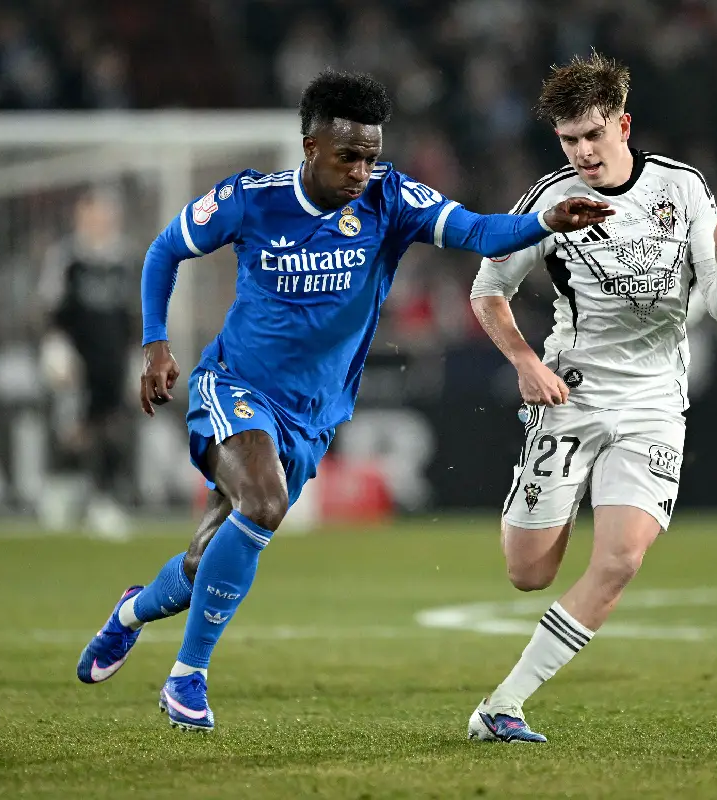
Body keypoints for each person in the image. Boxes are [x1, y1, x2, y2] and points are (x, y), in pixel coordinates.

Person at [75, 69, 611, 732]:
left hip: (313, 414)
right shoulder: (250, 199)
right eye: (348, 156)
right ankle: (188, 678)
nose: (362, 171)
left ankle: (129, 613)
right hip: (235, 386)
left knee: (203, 560)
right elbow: (163, 252)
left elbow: (478, 232)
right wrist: (155, 343)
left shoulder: (391, 199)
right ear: (311, 147)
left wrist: (544, 221)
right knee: (263, 503)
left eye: (371, 156)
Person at [465, 52, 717, 743]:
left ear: (623, 124)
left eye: (594, 135)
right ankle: (546, 490)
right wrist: (526, 363)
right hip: (573, 394)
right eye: (569, 140)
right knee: (528, 573)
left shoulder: (682, 190)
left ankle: (503, 705)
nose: (583, 152)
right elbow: (487, 290)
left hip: (654, 401)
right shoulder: (550, 199)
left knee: (621, 559)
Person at [37, 187, 136, 539]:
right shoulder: (67, 259)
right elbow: (50, 306)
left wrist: (138, 354)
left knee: (111, 426)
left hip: (112, 358)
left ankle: (102, 501)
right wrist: (55, 347)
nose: (100, 223)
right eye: (93, 215)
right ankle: (58, 492)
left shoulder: (125, 260)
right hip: (76, 359)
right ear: (80, 218)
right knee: (73, 429)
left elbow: (132, 313)